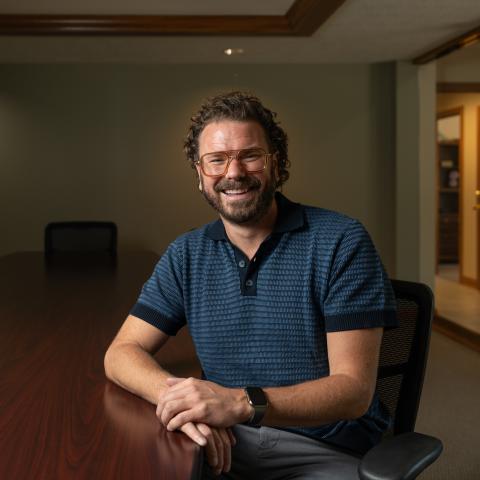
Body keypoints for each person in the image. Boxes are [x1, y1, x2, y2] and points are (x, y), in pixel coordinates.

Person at [104, 91, 397, 479]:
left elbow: (353, 391)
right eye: (217, 160)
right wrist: (184, 401)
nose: (234, 172)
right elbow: (122, 352)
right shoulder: (186, 254)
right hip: (224, 441)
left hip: (325, 448)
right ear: (200, 174)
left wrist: (240, 403)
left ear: (277, 164)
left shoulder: (340, 240)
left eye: (251, 155)